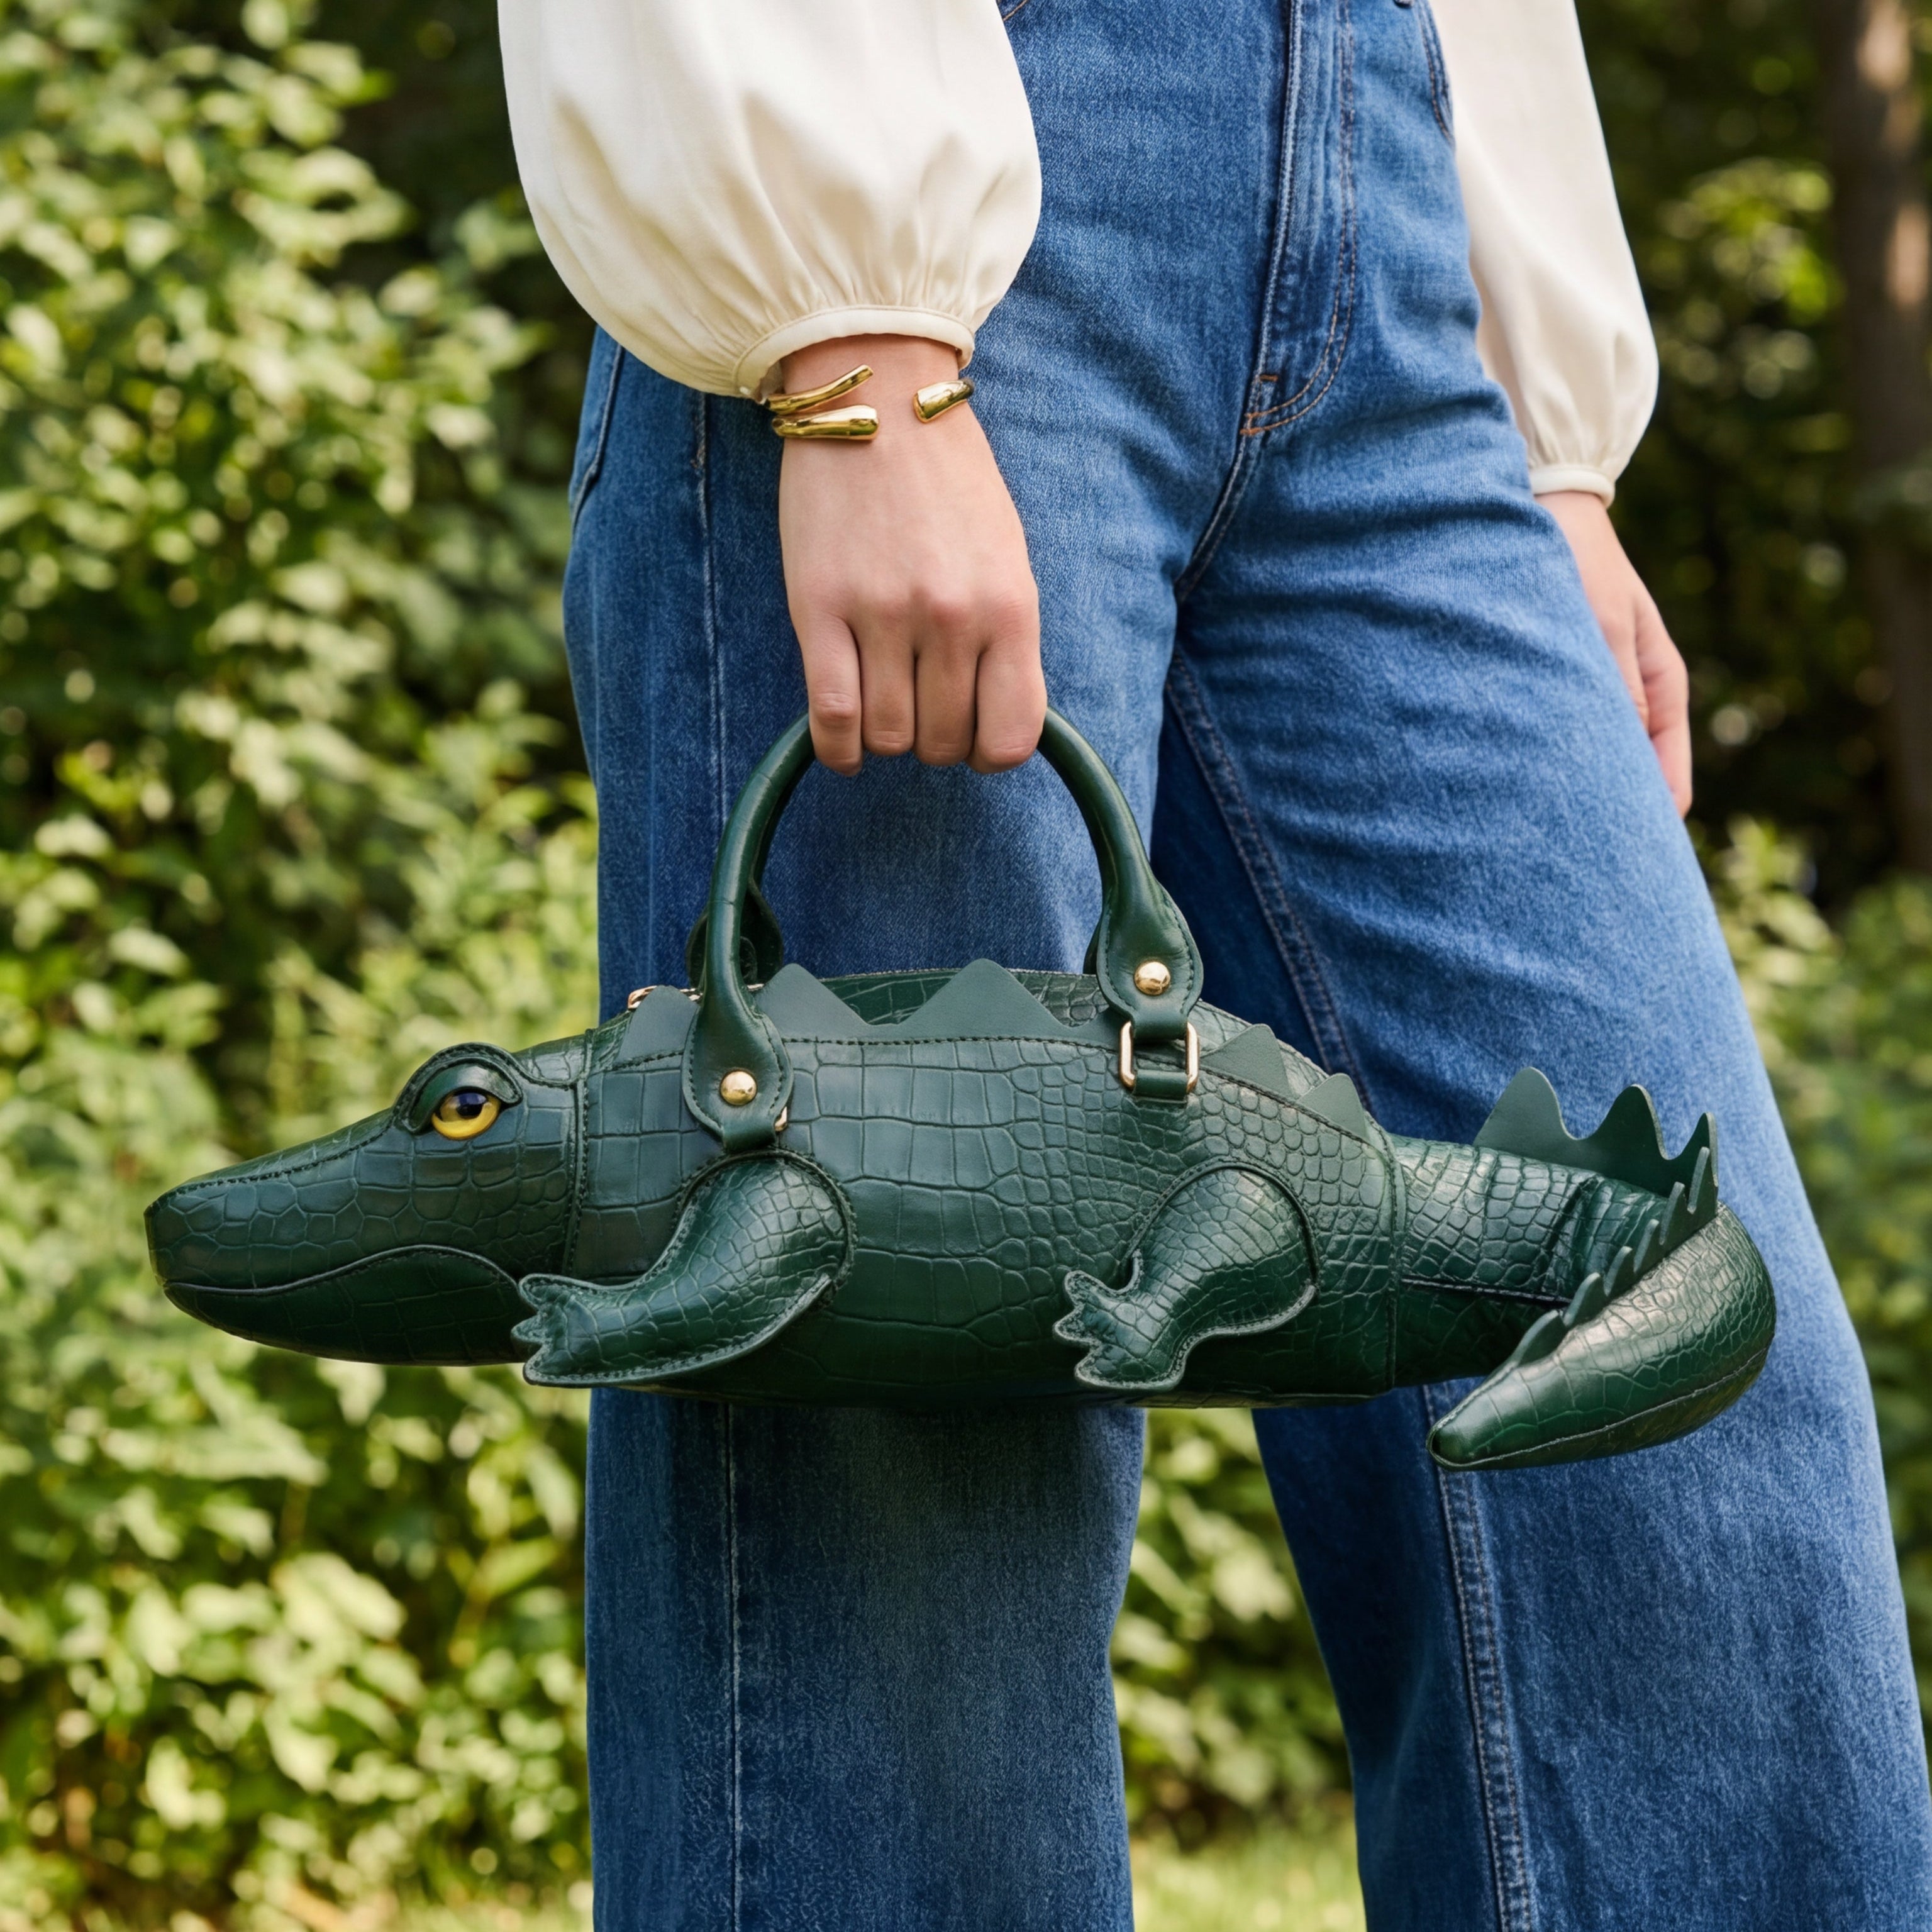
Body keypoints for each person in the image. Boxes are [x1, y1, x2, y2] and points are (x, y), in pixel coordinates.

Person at [496, 0, 1932, 1922]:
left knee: (1673, 1351)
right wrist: (851, 317)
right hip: (946, 187)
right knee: (910, 1465)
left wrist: (1546, 418)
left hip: (1394, 255)